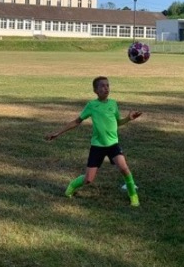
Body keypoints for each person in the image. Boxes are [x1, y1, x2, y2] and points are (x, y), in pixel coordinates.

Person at [45, 76, 142, 206]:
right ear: (95, 90)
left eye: (107, 85)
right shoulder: (91, 105)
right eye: (102, 86)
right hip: (97, 146)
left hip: (113, 144)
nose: (106, 88)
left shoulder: (113, 104)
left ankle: (133, 196)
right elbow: (76, 121)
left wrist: (128, 119)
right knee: (88, 180)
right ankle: (72, 186)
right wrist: (58, 132)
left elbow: (117, 122)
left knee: (124, 169)